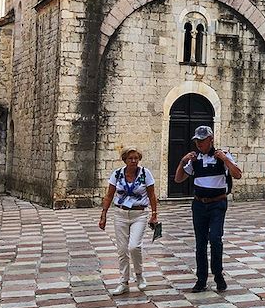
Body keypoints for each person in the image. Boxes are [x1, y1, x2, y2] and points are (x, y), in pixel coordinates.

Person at [174, 126, 242, 293]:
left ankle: (218, 275)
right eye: (197, 141)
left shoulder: (222, 156)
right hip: (199, 204)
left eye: (202, 141)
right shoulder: (194, 159)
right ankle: (201, 279)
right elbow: (178, 179)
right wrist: (183, 161)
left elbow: (238, 174)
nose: (199, 144)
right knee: (200, 242)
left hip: (217, 204)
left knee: (216, 238)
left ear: (210, 140)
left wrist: (225, 159)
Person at [99, 147, 158, 295]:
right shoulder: (117, 174)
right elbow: (109, 195)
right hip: (120, 214)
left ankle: (139, 275)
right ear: (125, 160)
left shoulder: (145, 174)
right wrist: (103, 214)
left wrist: (154, 214)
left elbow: (152, 195)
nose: (134, 161)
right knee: (122, 249)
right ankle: (123, 281)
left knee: (134, 246)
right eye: (130, 158)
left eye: (136, 158)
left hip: (139, 214)